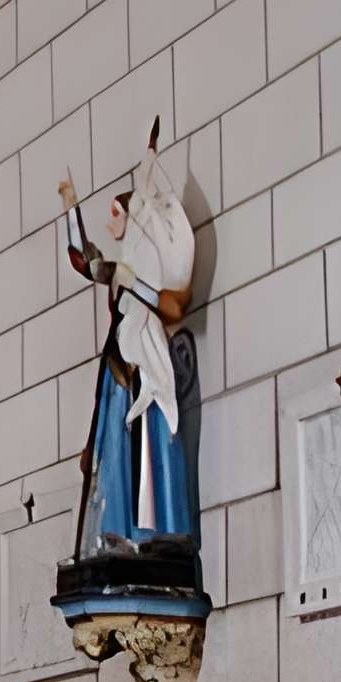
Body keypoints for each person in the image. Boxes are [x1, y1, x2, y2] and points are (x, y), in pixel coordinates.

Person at [59, 117, 198, 560]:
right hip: (116, 369)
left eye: (115, 214)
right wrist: (69, 206)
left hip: (143, 365)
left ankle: (156, 532)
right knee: (115, 452)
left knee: (149, 444)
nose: (111, 222)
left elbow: (168, 305)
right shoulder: (121, 271)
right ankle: (116, 532)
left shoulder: (141, 274)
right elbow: (84, 260)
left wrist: (135, 282)